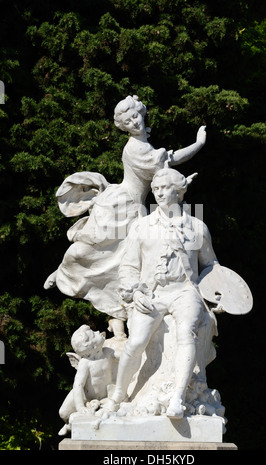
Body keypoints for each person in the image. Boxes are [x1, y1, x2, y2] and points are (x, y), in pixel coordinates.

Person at [44, 95, 207, 321]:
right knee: (87, 247)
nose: (134, 123)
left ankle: (119, 304)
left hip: (134, 209)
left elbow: (166, 167)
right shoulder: (136, 148)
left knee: (121, 260)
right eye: (128, 122)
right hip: (120, 204)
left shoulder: (144, 145)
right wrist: (198, 144)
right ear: (123, 127)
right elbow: (171, 159)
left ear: (141, 114)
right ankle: (65, 271)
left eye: (135, 116)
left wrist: (178, 185)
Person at [106, 167, 219, 419]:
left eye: (164, 188)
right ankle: (118, 395)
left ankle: (177, 398)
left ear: (178, 191)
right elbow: (128, 266)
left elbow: (211, 265)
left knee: (186, 334)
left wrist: (218, 292)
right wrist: (134, 293)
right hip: (151, 294)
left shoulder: (197, 228)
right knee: (135, 342)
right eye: (155, 189)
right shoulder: (141, 226)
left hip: (185, 291)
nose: (158, 193)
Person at [58, 325, 117, 435]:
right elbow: (78, 385)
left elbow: (125, 358)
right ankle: (69, 424)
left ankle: (73, 422)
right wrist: (80, 406)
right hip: (84, 395)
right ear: (93, 346)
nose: (98, 331)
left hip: (104, 396)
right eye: (94, 334)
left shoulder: (108, 352)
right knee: (63, 413)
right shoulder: (85, 363)